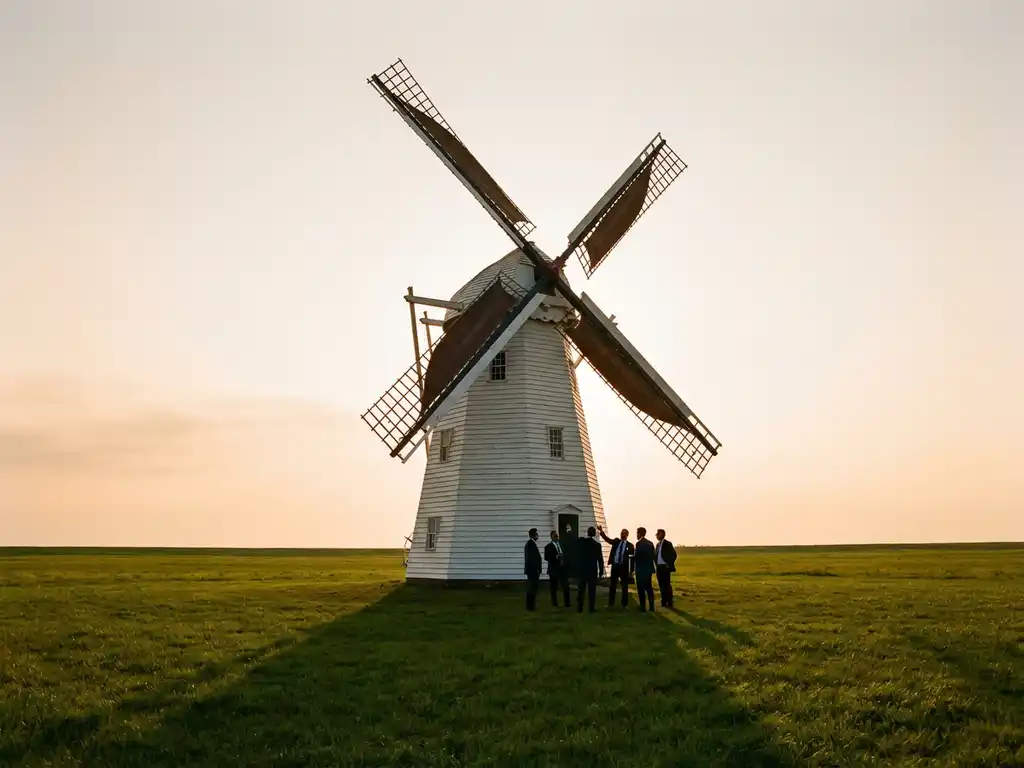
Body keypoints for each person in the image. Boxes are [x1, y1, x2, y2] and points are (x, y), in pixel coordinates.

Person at [597, 524, 634, 608]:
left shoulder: (630, 546)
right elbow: (608, 540)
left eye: (624, 533)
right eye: (621, 533)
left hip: (624, 568)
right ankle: (611, 604)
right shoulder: (616, 541)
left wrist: (630, 571)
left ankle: (624, 605)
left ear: (627, 535)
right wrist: (601, 531)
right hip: (615, 566)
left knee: (624, 587)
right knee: (612, 586)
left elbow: (631, 559)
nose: (622, 534)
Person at [575, 526, 604, 613]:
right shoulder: (597, 545)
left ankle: (579, 607)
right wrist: (601, 571)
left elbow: (574, 541)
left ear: (587, 533)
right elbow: (600, 559)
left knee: (581, 589)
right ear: (595, 534)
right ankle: (591, 608)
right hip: (592, 570)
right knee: (592, 590)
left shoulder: (582, 542)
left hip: (583, 569)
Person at [544, 530, 571, 608]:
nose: (556, 537)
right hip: (554, 569)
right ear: (551, 537)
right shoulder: (548, 547)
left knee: (565, 586)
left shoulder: (562, 544)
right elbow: (547, 557)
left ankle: (567, 603)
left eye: (557, 536)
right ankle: (554, 603)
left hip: (562, 568)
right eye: (555, 536)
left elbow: (566, 554)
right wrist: (555, 556)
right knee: (553, 587)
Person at [633, 527, 656, 612]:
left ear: (639, 533)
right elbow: (654, 556)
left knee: (641, 588)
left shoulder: (639, 543)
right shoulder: (650, 543)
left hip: (641, 569)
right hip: (648, 569)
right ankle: (651, 606)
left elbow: (637, 556)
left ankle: (642, 606)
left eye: (637, 533)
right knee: (649, 587)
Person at [655, 528, 678, 608]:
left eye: (658, 533)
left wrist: (669, 563)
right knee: (661, 585)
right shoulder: (657, 545)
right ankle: (663, 601)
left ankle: (670, 601)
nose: (656, 535)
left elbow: (674, 555)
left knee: (667, 585)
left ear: (662, 534)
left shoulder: (668, 544)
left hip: (665, 567)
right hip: (659, 567)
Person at [524, 528, 542, 611]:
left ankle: (531, 605)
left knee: (533, 587)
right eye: (536, 534)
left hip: (533, 570)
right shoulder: (530, 544)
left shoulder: (532, 544)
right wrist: (536, 568)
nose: (537, 536)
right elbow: (532, 558)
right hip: (532, 570)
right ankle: (530, 606)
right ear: (534, 535)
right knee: (532, 587)